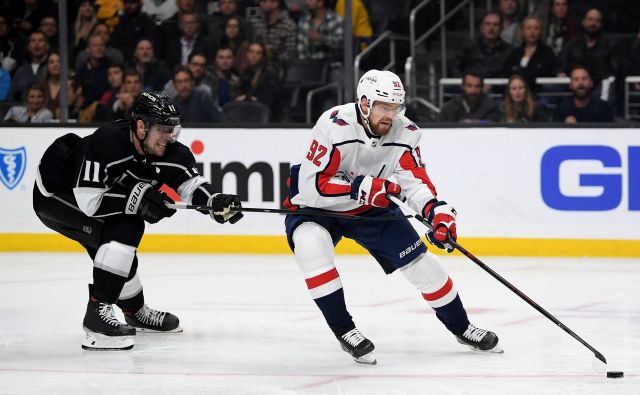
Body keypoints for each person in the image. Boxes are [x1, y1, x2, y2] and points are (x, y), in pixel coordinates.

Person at [283, 69, 501, 364]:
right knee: (312, 247)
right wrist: (360, 186)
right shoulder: (334, 125)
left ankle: (463, 327)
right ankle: (345, 330)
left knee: (424, 266)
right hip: (316, 207)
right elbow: (312, 188)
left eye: (396, 107)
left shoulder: (406, 132)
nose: (391, 115)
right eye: (384, 107)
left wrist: (435, 211)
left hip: (369, 205)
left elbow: (414, 180)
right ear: (364, 103)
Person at [33, 92, 243, 350]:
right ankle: (96, 318)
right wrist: (138, 198)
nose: (171, 137)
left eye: (173, 129)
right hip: (57, 196)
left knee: (118, 246)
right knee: (124, 229)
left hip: (87, 200)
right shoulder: (106, 142)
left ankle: (134, 312)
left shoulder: (170, 152)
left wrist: (215, 201)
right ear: (142, 126)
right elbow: (89, 202)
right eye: (164, 129)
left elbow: (191, 184)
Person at [502, 16, 557, 91]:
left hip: (539, 92)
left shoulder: (547, 52)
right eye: (528, 28)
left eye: (536, 28)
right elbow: (507, 71)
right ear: (523, 32)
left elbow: (544, 72)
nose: (532, 32)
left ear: (540, 32)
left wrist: (519, 70)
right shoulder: (515, 53)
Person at [451, 11, 512, 78]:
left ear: (501, 28)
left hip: (498, 87)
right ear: (481, 28)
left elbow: (509, 74)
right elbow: (454, 66)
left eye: (495, 25)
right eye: (488, 24)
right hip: (472, 86)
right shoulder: (470, 46)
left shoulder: (509, 50)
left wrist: (493, 85)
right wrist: (465, 83)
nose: (491, 28)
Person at [438, 70, 503, 123]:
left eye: (477, 86)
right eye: (469, 86)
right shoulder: (449, 108)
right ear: (462, 87)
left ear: (482, 88)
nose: (473, 91)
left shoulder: (492, 108)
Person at [6, 30, 49, 102]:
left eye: (40, 40)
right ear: (28, 46)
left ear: (47, 45)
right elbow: (10, 96)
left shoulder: (53, 68)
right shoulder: (21, 71)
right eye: (33, 40)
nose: (36, 43)